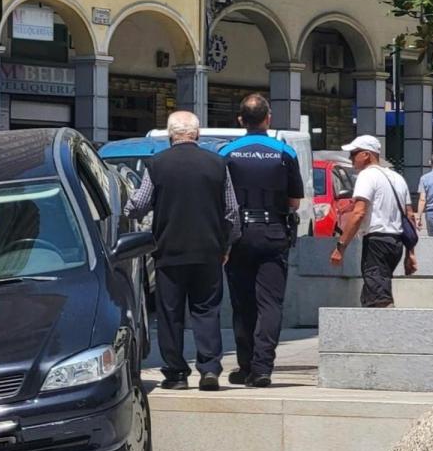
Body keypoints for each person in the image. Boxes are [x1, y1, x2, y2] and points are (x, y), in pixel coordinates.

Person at [125, 111, 240, 391]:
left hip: (169, 251)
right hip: (209, 251)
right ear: (197, 134)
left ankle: (176, 373)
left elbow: (138, 205)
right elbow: (232, 212)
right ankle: (209, 369)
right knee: (207, 310)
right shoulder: (217, 163)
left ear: (169, 135)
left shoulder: (157, 164)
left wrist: (124, 208)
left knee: (170, 314)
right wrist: (227, 245)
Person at [219, 94, 305, 388]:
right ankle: (263, 367)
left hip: (238, 234)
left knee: (243, 303)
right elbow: (294, 201)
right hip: (273, 231)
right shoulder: (284, 152)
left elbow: (221, 198)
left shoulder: (226, 153)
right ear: (268, 118)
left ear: (241, 120)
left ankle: (245, 366)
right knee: (270, 303)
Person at [329, 135, 418, 306]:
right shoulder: (397, 178)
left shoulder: (367, 176)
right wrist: (410, 252)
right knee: (373, 293)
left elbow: (358, 213)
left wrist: (341, 247)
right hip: (396, 242)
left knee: (379, 299)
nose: (351, 159)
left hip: (376, 242)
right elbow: (409, 216)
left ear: (367, 155)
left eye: (354, 154)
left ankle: (387, 329)